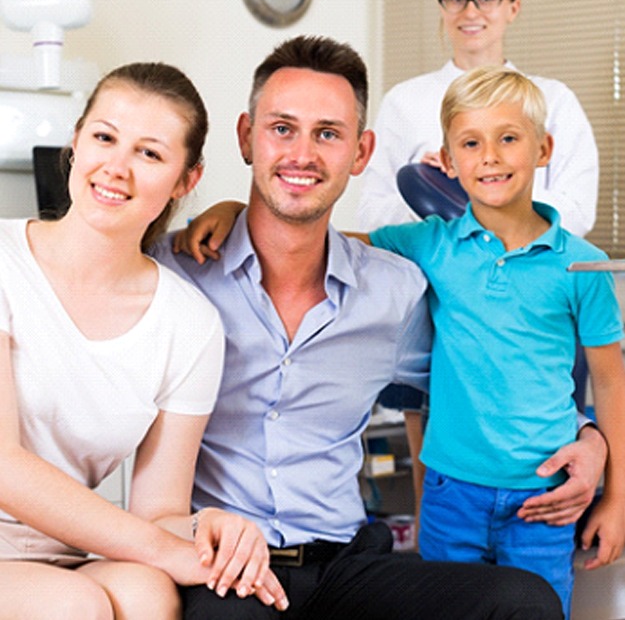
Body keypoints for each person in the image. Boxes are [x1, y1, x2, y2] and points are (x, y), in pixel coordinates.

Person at [156, 35, 570, 619]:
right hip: (224, 563)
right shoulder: (178, 272)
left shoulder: (393, 292)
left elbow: (484, 371)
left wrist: (589, 435)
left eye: (327, 133)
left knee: (521, 601)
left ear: (361, 151)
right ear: (247, 135)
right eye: (282, 129)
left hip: (347, 565)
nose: (303, 153)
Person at [0, 62, 285, 620]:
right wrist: (170, 553)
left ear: (186, 181)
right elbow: (3, 467)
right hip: (45, 575)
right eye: (105, 138)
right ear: (76, 141)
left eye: (150, 154)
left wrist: (208, 526)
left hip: (55, 555)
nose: (117, 168)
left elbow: (159, 512)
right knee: (75, 605)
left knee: (147, 593)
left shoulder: (190, 325)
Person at [362, 65, 625, 618]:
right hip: (449, 496)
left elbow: (610, 379)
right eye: (471, 144)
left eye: (509, 138)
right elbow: (327, 244)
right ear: (450, 161)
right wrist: (233, 214)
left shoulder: (583, 265)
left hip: (546, 497)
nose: (490, 157)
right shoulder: (428, 244)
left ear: (544, 148)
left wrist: (619, 499)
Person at [357, 0, 598, 238]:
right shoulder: (403, 101)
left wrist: (479, 188)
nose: (470, 11)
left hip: (524, 273)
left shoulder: (555, 100)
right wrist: (431, 190)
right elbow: (371, 216)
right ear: (443, 7)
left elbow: (578, 212)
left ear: (513, 7)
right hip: (427, 278)